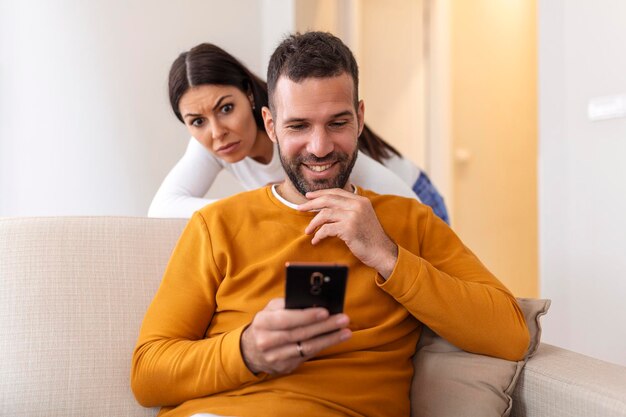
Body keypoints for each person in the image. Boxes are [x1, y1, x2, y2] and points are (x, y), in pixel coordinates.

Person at [131, 32, 528, 417]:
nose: (319, 147)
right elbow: (148, 375)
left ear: (359, 118)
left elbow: (510, 335)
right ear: (270, 125)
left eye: (337, 123)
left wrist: (388, 256)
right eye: (298, 126)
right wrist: (246, 351)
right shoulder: (216, 225)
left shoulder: (408, 218)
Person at [148, 42, 449, 223]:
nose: (216, 132)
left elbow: (417, 217)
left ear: (251, 96)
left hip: (412, 193)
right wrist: (256, 207)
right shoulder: (213, 143)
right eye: (197, 121)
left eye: (226, 108)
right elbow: (163, 208)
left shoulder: (307, 140)